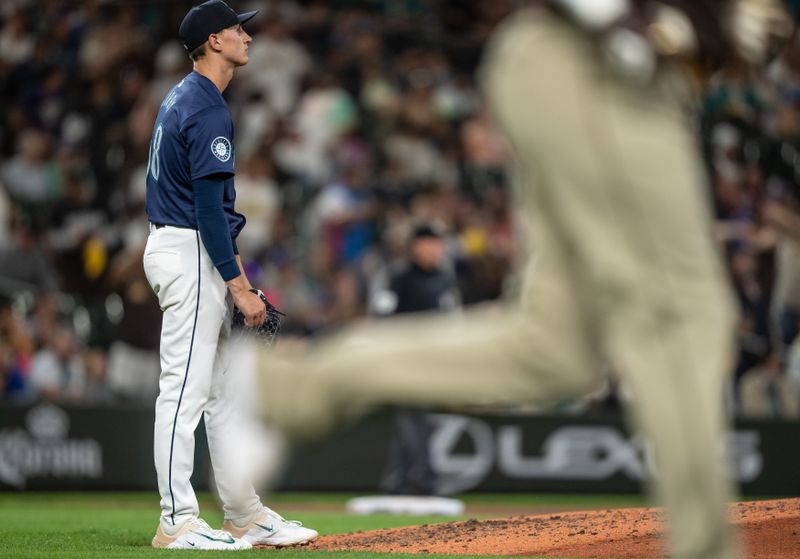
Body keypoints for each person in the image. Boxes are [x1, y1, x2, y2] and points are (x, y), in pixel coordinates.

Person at [258, 2, 791, 559]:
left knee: (557, 352)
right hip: (593, 64)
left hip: (614, 78)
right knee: (679, 314)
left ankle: (288, 388)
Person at [143, 0, 317, 550]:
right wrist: (239, 286)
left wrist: (231, 277)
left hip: (187, 249)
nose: (247, 34)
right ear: (213, 41)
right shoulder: (207, 107)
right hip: (188, 249)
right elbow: (208, 211)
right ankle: (177, 521)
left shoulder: (182, 97)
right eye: (237, 27)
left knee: (221, 396)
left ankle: (243, 514)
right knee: (184, 393)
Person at [374, 224, 459, 496]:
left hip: (432, 359)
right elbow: (382, 316)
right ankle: (423, 478)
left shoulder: (444, 278)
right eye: (428, 243)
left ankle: (400, 479)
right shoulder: (398, 277)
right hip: (403, 356)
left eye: (437, 244)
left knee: (415, 419)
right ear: (415, 246)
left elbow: (450, 319)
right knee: (413, 418)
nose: (434, 249)